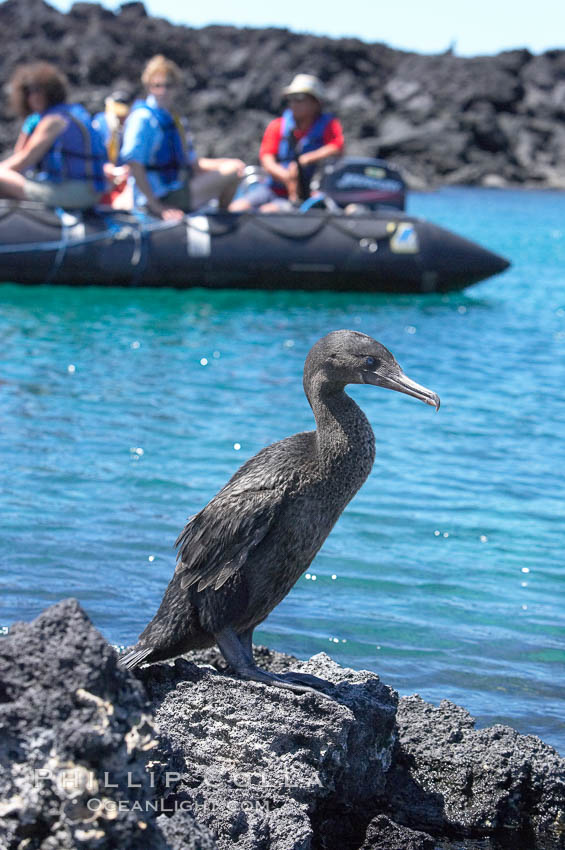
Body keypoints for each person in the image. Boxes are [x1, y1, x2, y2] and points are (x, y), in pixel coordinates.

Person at [120, 55, 245, 221]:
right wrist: (157, 207)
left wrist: (226, 163)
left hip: (177, 188)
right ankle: (224, 220)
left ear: (176, 87)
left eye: (168, 85)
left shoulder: (176, 120)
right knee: (234, 171)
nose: (163, 91)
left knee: (235, 167)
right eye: (157, 86)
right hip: (160, 197)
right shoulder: (142, 119)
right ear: (149, 87)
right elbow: (135, 165)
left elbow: (192, 163)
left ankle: (223, 222)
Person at [231, 73, 344, 212]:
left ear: (316, 102)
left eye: (300, 99)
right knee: (235, 209)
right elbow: (266, 158)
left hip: (309, 194)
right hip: (271, 189)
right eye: (291, 99)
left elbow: (337, 147)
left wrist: (306, 160)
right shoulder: (277, 125)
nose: (294, 104)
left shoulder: (329, 125)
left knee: (268, 211)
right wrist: (286, 177)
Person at [0, 62, 106, 209]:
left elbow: (25, 159)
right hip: (85, 189)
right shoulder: (72, 111)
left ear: (51, 92)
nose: (33, 96)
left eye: (39, 91)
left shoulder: (54, 120)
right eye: (29, 91)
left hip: (78, 192)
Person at [93, 88, 133, 208]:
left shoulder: (129, 128)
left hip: (120, 180)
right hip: (102, 180)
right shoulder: (99, 124)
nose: (120, 118)